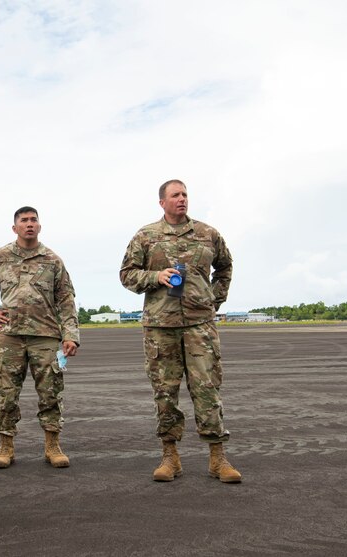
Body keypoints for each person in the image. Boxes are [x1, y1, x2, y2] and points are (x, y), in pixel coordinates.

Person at [119, 179, 241, 483]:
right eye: (175, 195)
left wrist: (214, 298)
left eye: (185, 194)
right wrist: (155, 276)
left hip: (200, 325)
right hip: (161, 326)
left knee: (207, 389)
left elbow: (225, 266)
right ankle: (170, 456)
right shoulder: (146, 236)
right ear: (163, 202)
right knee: (165, 392)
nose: (182, 199)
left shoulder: (208, 234)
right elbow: (127, 275)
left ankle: (218, 458)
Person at [0, 206, 79, 469]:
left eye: (33, 220)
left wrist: (70, 335)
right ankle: (5, 446)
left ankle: (52, 445)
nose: (29, 224)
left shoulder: (52, 260)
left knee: (51, 392)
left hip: (45, 336)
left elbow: (66, 299)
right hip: (10, 336)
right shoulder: (0, 256)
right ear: (14, 227)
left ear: (39, 226)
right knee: (6, 393)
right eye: (24, 220)